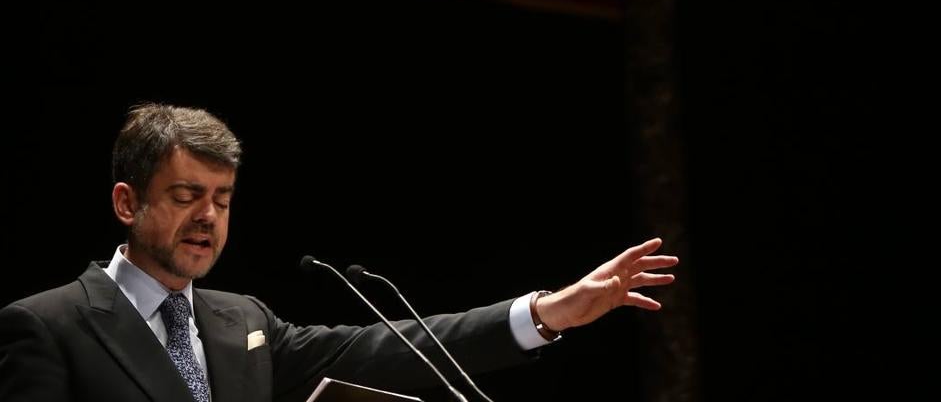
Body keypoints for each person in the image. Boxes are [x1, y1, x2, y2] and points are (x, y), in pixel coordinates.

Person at [0, 103, 678, 402]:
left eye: (224, 198)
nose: (208, 217)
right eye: (185, 195)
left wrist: (549, 312)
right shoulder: (48, 327)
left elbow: (394, 348)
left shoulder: (243, 322)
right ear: (127, 203)